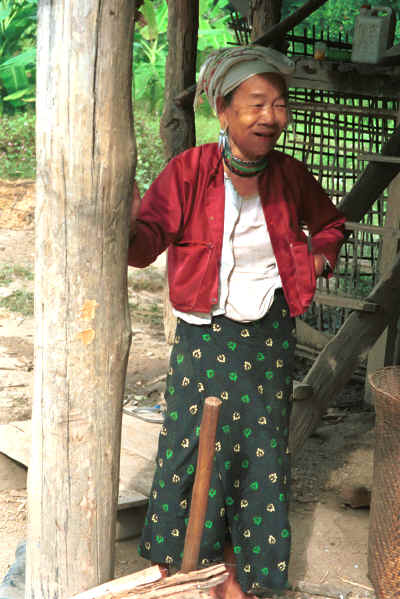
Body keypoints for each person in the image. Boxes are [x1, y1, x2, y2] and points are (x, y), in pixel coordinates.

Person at [128, 46, 346, 599]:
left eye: (278, 104)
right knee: (190, 444)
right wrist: (123, 229)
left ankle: (245, 580)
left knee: (260, 454)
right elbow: (148, 235)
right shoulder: (189, 172)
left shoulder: (291, 176)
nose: (269, 116)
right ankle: (185, 571)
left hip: (267, 335)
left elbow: (330, 224)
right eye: (255, 104)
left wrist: (318, 254)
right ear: (223, 111)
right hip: (203, 335)